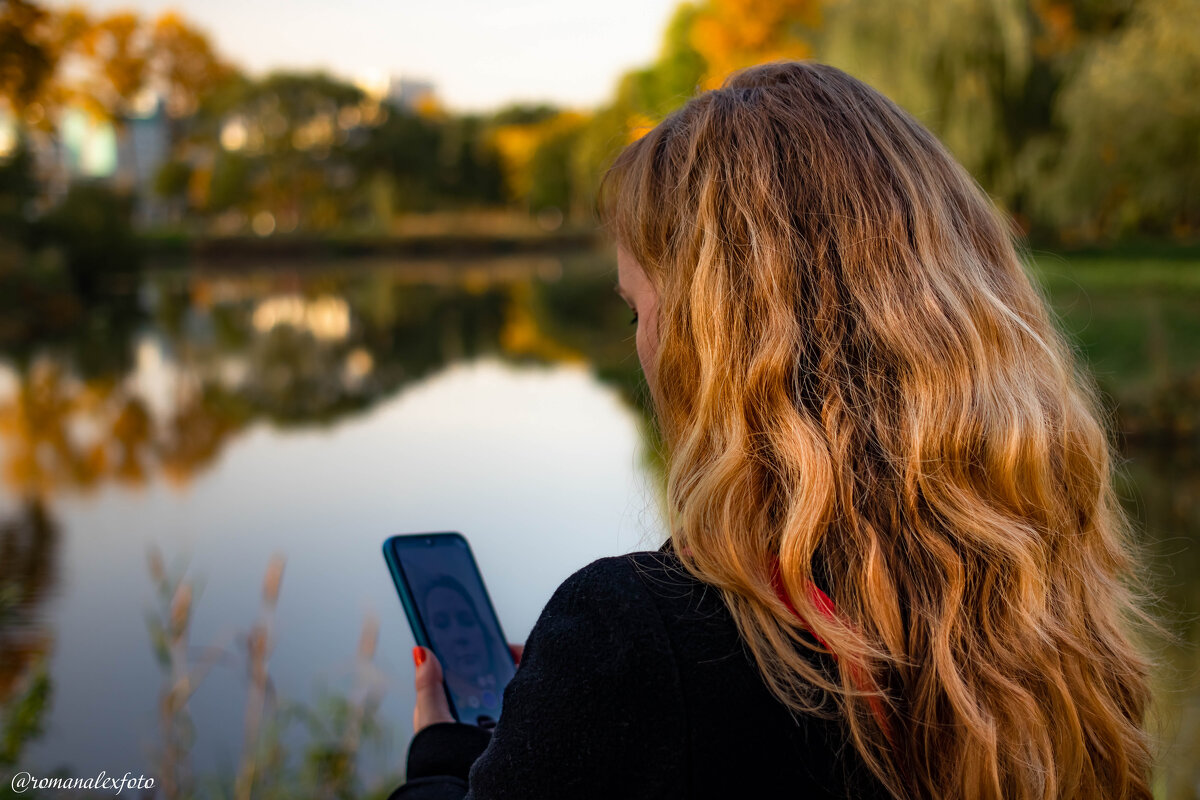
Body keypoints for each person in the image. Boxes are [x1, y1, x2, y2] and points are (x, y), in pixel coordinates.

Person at [389, 60, 1157, 800]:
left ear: (712, 338)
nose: (641, 347)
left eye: (638, 309)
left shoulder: (634, 635)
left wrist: (446, 756)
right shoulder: (1036, 604)